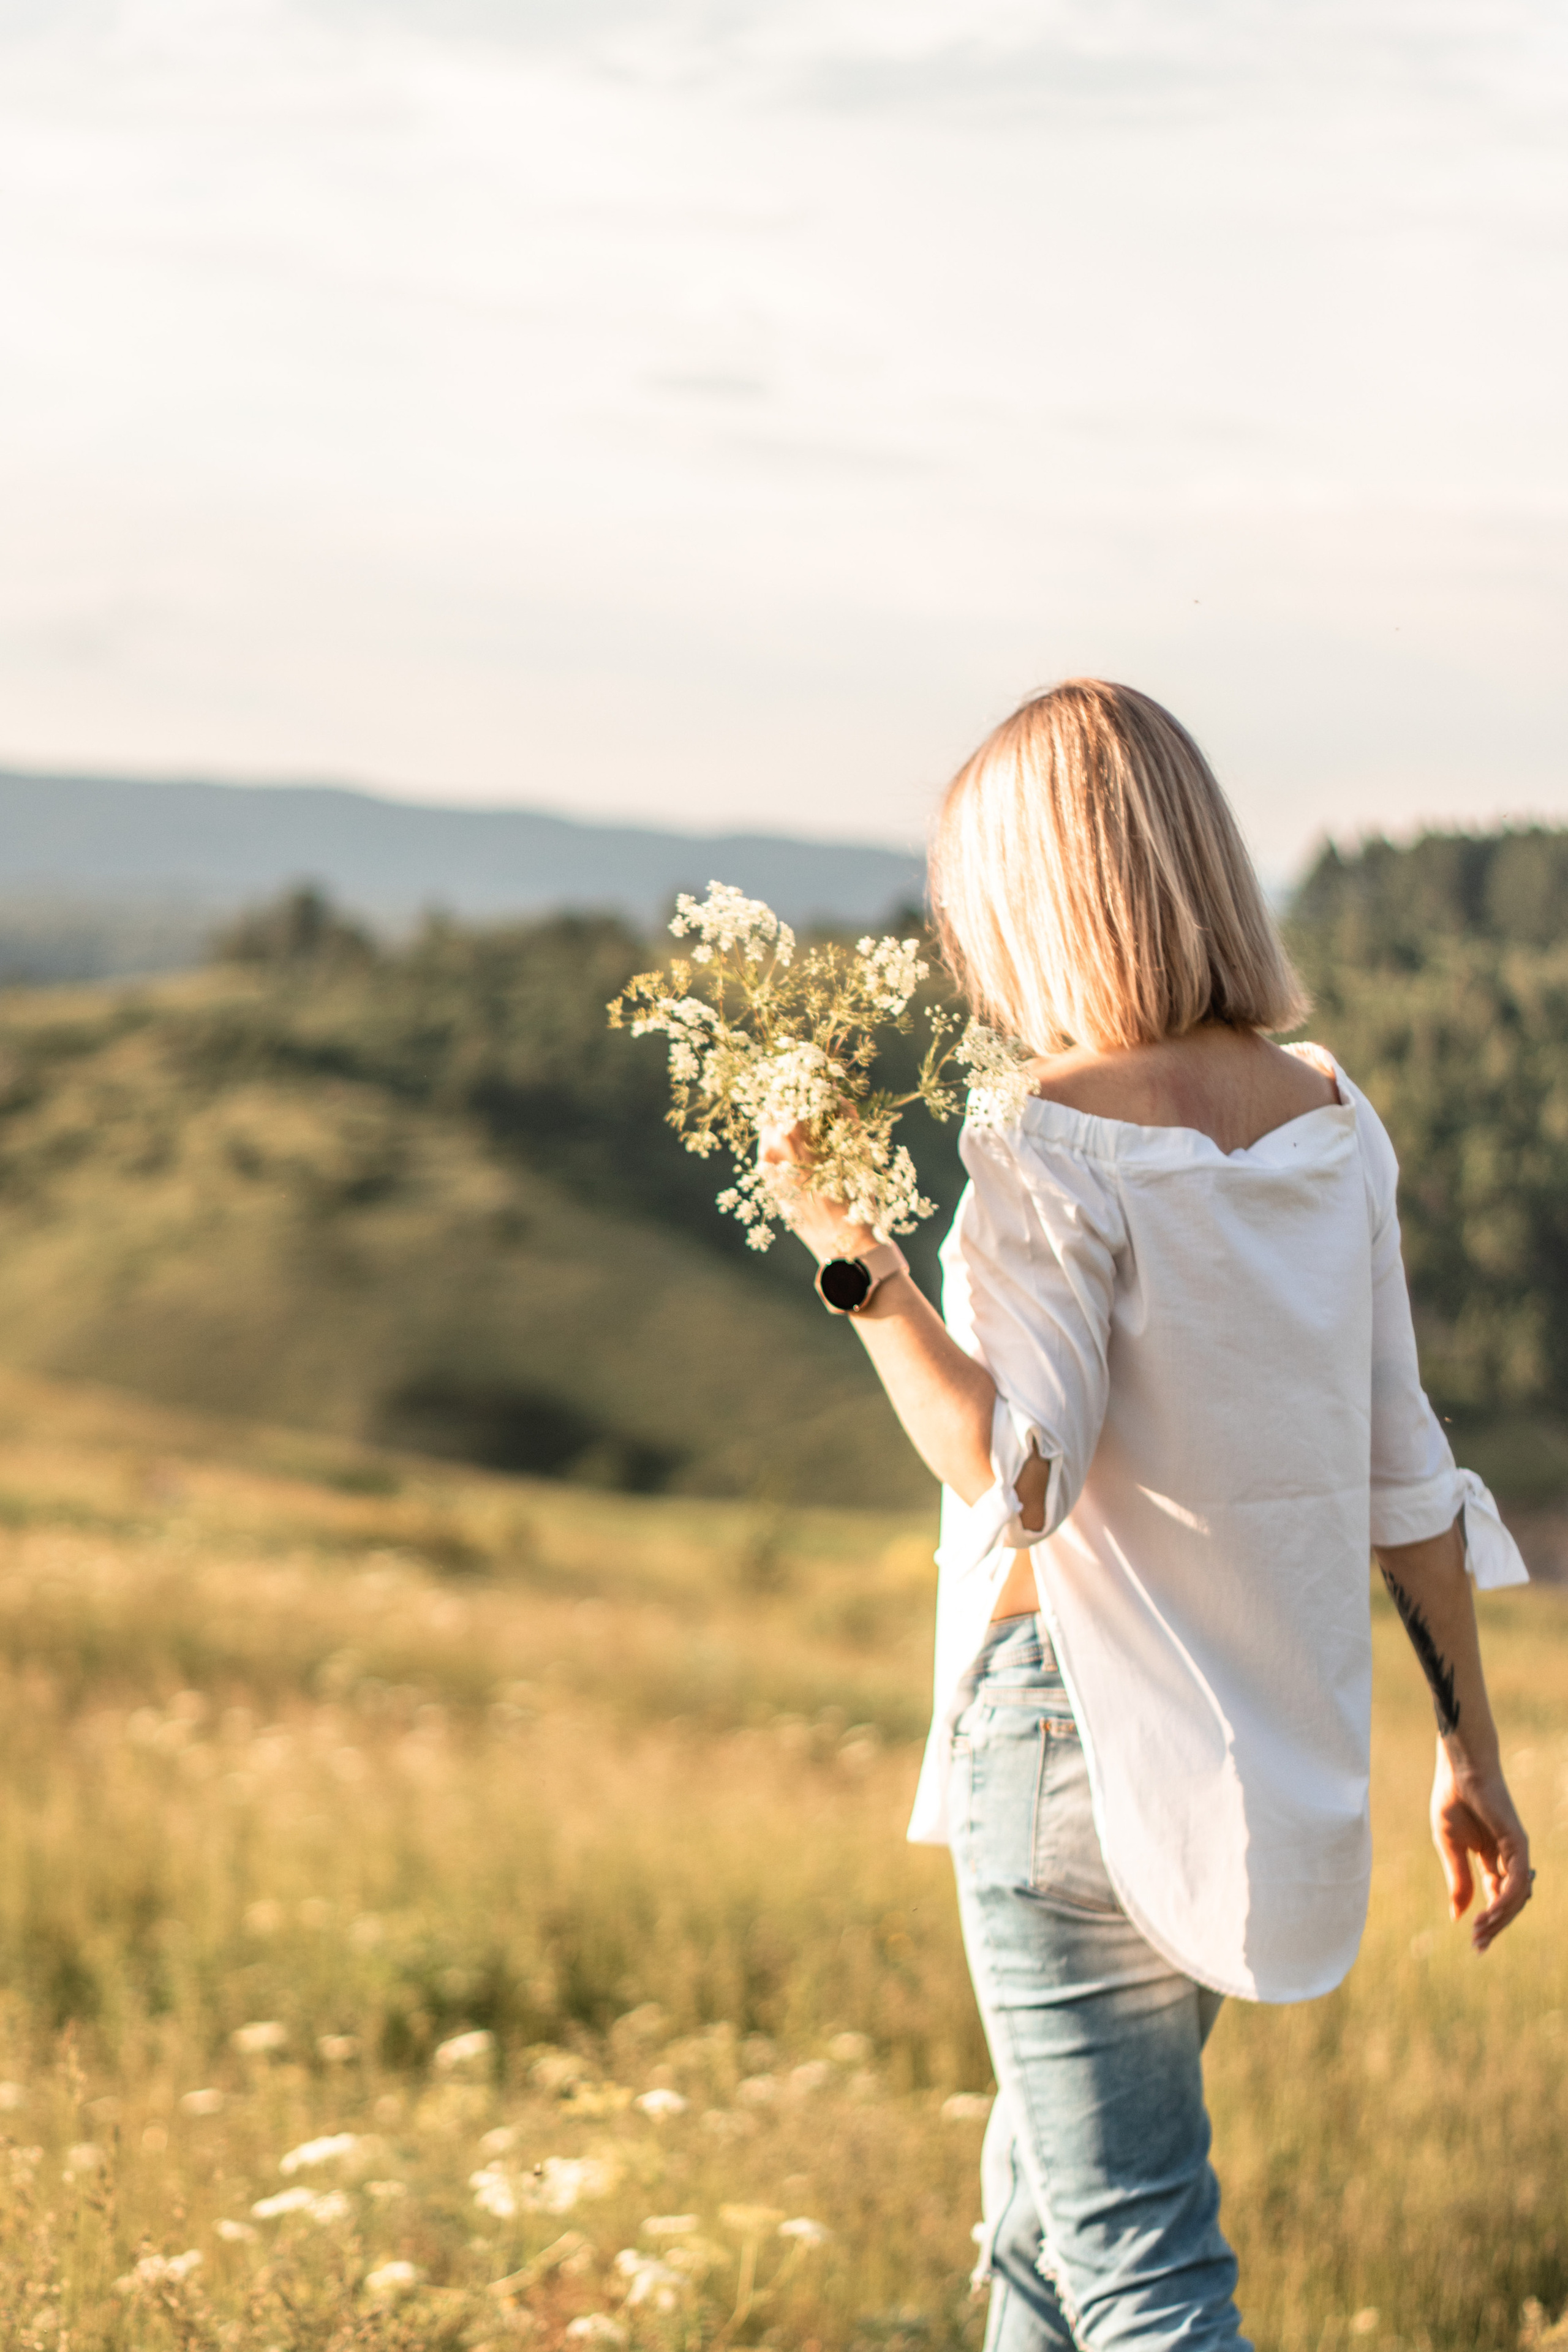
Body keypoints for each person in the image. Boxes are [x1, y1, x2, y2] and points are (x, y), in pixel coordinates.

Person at [761, 679, 1533, 2352]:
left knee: (1142, 2275)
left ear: (1036, 893)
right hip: (1259, 1735)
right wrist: (1469, 1753)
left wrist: (858, 1263)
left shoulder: (1044, 1134)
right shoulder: (1332, 1116)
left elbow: (1016, 1478)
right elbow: (1408, 1464)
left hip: (1073, 1741)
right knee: (1035, 2242)